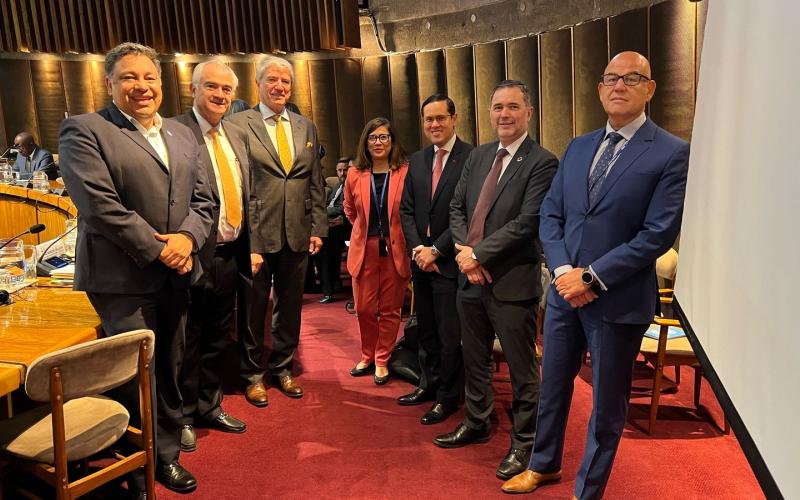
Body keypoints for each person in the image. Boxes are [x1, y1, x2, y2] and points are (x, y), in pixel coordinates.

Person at [500, 52, 690, 499]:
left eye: (631, 78)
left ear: (650, 88)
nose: (619, 85)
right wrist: (565, 271)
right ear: (600, 88)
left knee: (606, 404)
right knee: (553, 387)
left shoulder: (671, 152)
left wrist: (593, 278)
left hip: (617, 300)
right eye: (610, 78)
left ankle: (588, 489)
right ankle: (543, 464)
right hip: (565, 294)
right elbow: (552, 214)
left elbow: (657, 234)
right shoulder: (579, 146)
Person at [58, 42, 214, 495]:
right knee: (133, 375)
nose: (141, 87)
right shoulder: (83, 130)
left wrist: (186, 239)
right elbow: (99, 206)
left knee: (168, 364)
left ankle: (161, 450)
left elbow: (204, 200)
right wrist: (159, 248)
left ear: (161, 85)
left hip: (178, 270)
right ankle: (141, 464)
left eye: (149, 78)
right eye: (129, 78)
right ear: (109, 84)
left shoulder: (183, 134)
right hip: (121, 277)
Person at [435, 80, 558, 481]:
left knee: (524, 370)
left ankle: (525, 442)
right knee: (476, 359)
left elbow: (528, 222)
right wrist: (464, 256)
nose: (503, 114)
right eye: (497, 107)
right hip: (470, 281)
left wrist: (478, 254)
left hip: (511, 283)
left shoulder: (542, 162)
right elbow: (456, 207)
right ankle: (477, 422)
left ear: (528, 113)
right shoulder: (480, 155)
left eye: (512, 107)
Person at [229, 54, 327, 406]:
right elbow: (237, 185)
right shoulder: (238, 124)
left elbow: (314, 180)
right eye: (272, 79)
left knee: (291, 307)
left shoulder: (305, 127)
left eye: (285, 81)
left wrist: (318, 226)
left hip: (298, 233)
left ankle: (283, 368)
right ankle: (252, 374)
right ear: (257, 84)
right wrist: (247, 240)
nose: (279, 86)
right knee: (254, 309)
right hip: (256, 236)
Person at [173, 60, 252, 453]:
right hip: (192, 255)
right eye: (212, 87)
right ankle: (184, 415)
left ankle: (210, 404)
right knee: (188, 341)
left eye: (226, 90)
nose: (220, 96)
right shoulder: (174, 132)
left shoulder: (235, 136)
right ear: (193, 89)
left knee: (220, 337)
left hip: (230, 254)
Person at [398, 94, 472, 424]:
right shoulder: (417, 159)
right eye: (428, 119)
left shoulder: (472, 157)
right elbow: (407, 211)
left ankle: (448, 397)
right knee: (424, 330)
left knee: (448, 335)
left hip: (448, 263)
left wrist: (436, 251)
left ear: (454, 118)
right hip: (421, 263)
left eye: (440, 118)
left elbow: (467, 214)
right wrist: (418, 250)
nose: (434, 125)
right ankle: (427, 385)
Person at [344, 117, 410, 385]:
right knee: (364, 308)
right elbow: (349, 210)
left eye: (384, 137)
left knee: (392, 309)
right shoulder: (354, 174)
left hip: (395, 249)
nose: (378, 142)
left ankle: (383, 358)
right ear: (366, 142)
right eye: (373, 137)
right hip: (365, 249)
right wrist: (363, 230)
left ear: (392, 141)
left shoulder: (404, 171)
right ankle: (367, 354)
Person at [318, 157, 352, 304]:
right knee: (319, 235)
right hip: (333, 224)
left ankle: (328, 290)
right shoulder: (337, 186)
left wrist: (325, 212)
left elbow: (344, 208)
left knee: (324, 239)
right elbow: (330, 204)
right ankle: (332, 283)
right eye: (339, 170)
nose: (342, 173)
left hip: (347, 226)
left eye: (345, 170)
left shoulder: (352, 185)